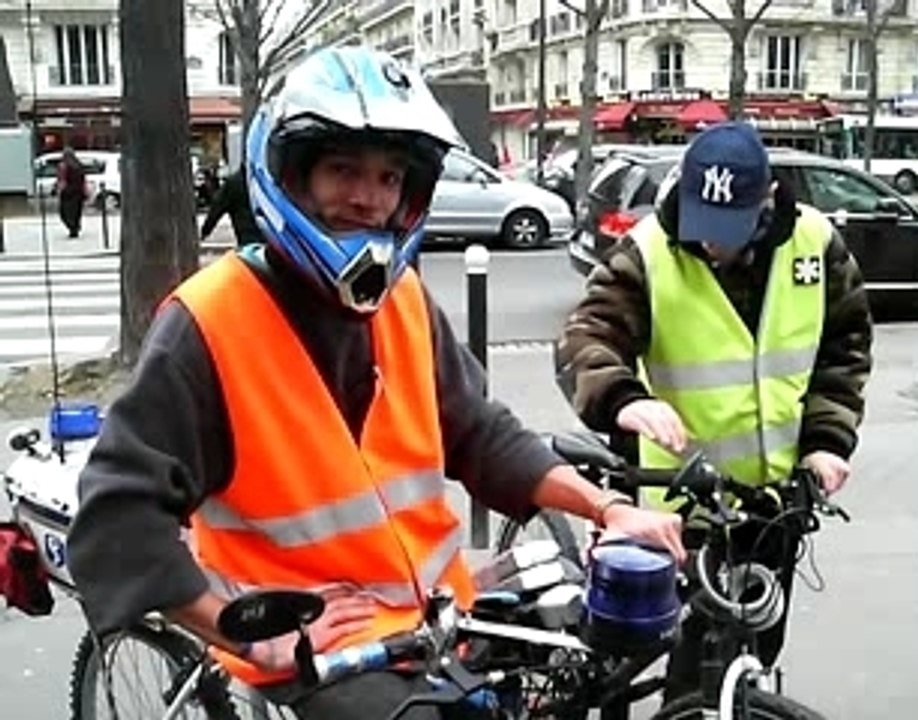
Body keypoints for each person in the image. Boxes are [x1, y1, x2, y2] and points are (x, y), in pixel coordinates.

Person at [65, 47, 685, 720]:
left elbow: (480, 432)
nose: (368, 197)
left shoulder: (404, 302)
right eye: (343, 170)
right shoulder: (207, 322)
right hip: (314, 646)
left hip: (436, 618)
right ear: (292, 176)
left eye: (390, 178)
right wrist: (243, 630)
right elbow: (117, 520)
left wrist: (606, 509)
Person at [554, 121, 873, 704]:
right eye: (703, 226)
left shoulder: (817, 244)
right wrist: (627, 401)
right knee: (686, 663)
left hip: (776, 500)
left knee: (756, 651)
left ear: (768, 202)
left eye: (727, 230)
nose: (710, 245)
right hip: (682, 502)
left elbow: (844, 350)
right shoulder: (650, 250)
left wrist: (827, 441)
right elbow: (586, 337)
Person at [199, 163, 262, 247]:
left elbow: (217, 207)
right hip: (269, 236)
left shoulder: (233, 183)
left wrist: (206, 230)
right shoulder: (264, 181)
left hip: (247, 236)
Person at [56, 146, 86, 238]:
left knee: (66, 213)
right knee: (75, 213)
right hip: (77, 194)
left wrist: (63, 188)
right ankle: (74, 228)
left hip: (69, 193)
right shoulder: (77, 165)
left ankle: (73, 229)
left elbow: (64, 180)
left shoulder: (69, 166)